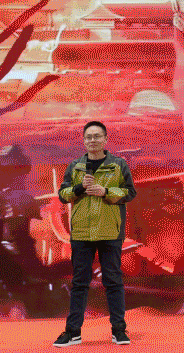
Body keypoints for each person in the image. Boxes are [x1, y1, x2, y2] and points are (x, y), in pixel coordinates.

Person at [53, 121, 136, 347]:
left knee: (113, 281)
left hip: (110, 231)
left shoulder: (118, 165)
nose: (93, 140)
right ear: (83, 140)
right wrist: (79, 188)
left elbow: (130, 193)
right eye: (88, 137)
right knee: (80, 283)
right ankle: (73, 332)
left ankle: (119, 330)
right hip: (82, 232)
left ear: (105, 139)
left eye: (97, 136)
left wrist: (105, 191)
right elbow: (63, 194)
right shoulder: (75, 166)